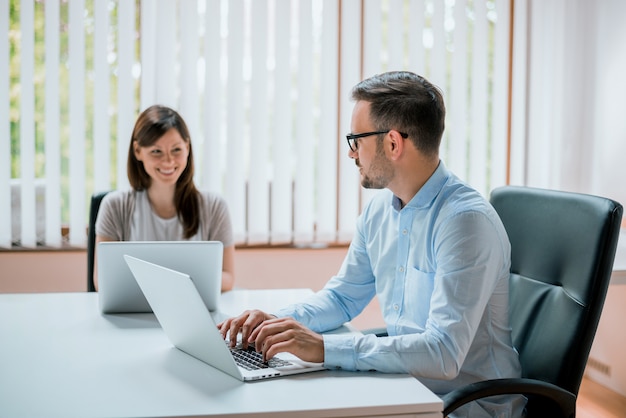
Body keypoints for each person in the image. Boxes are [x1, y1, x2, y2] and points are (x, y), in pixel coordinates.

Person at [219, 71, 524, 417]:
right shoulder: (380, 210)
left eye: (356, 140)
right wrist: (274, 323)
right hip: (404, 387)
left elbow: (443, 352)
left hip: (466, 406)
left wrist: (323, 348)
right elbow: (342, 296)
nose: (351, 154)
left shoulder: (465, 223)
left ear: (393, 143)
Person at [95, 104, 235, 292]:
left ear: (187, 147)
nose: (168, 161)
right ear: (138, 151)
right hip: (134, 315)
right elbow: (103, 281)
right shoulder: (114, 206)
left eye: (176, 150)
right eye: (156, 151)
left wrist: (165, 284)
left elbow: (228, 277)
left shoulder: (214, 206)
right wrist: (179, 281)